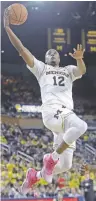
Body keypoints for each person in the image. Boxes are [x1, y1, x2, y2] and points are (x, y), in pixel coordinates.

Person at [4, 7, 88, 194]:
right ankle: (50, 159)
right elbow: (21, 48)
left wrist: (80, 59)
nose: (52, 54)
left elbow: (81, 71)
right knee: (81, 126)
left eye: (54, 53)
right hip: (53, 112)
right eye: (49, 53)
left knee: (65, 165)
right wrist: (8, 28)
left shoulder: (68, 70)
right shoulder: (41, 68)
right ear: (45, 58)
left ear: (58, 58)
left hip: (65, 117)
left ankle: (34, 175)